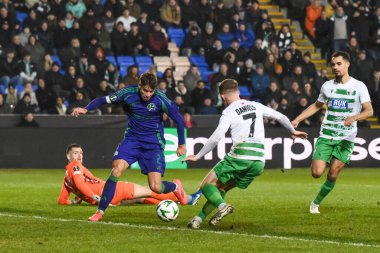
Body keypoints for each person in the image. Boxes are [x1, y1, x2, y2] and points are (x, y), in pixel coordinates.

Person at [182, 79, 307, 229]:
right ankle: (198, 219)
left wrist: (198, 155)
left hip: (241, 155)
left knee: (205, 185)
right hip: (259, 161)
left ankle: (222, 207)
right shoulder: (255, 105)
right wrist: (292, 131)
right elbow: (280, 116)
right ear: (239, 92)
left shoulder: (228, 111)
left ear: (222, 97)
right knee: (221, 188)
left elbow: (217, 136)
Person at [71, 72, 188, 222]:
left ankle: (175, 187)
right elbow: (103, 99)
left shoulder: (161, 99)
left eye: (151, 91)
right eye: (145, 90)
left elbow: (179, 120)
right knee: (116, 170)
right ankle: (100, 211)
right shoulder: (127, 93)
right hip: (132, 140)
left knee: (156, 187)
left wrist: (182, 144)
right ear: (139, 86)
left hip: (153, 144)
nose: (148, 94)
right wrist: (86, 108)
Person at [291, 51, 373, 214]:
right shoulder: (327, 86)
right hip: (327, 135)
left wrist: (354, 118)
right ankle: (320, 164)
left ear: (347, 64)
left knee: (333, 173)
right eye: (333, 64)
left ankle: (315, 203)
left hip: (346, 138)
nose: (335, 67)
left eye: (338, 64)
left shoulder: (359, 86)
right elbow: (316, 105)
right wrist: (298, 119)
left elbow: (369, 110)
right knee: (316, 173)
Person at [58, 144, 201, 206]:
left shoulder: (66, 180)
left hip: (110, 199)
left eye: (81, 153)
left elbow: (62, 200)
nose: (80, 156)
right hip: (112, 191)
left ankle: (171, 204)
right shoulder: (75, 166)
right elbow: (82, 185)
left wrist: (76, 201)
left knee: (141, 198)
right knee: (151, 190)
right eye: (76, 153)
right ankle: (187, 199)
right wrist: (96, 197)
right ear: (67, 156)